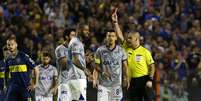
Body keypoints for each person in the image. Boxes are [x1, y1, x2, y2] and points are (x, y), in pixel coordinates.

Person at [112, 8, 155, 101]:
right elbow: (120, 36)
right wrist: (115, 23)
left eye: (130, 38)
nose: (128, 40)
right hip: (132, 82)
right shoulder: (126, 47)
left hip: (144, 80)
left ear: (137, 39)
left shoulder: (145, 52)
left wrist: (150, 80)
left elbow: (152, 67)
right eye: (127, 38)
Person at [93, 30, 130, 101]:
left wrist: (127, 79)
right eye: (109, 36)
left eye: (113, 36)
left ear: (116, 38)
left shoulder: (121, 50)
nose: (111, 38)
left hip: (116, 84)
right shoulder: (100, 50)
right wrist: (95, 79)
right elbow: (96, 66)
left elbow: (125, 66)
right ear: (106, 37)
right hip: (103, 85)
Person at [55, 28, 91, 101]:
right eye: (72, 35)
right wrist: (76, 58)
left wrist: (84, 59)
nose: (74, 37)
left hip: (75, 79)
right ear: (66, 37)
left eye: (75, 35)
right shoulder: (60, 49)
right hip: (64, 82)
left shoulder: (76, 48)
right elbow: (64, 65)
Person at [5, 35, 39, 101]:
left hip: (25, 87)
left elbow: (36, 68)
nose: (10, 46)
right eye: (8, 45)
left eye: (12, 44)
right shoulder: (8, 59)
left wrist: (35, 84)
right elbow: (6, 72)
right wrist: (6, 85)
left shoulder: (23, 56)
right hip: (13, 88)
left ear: (16, 45)